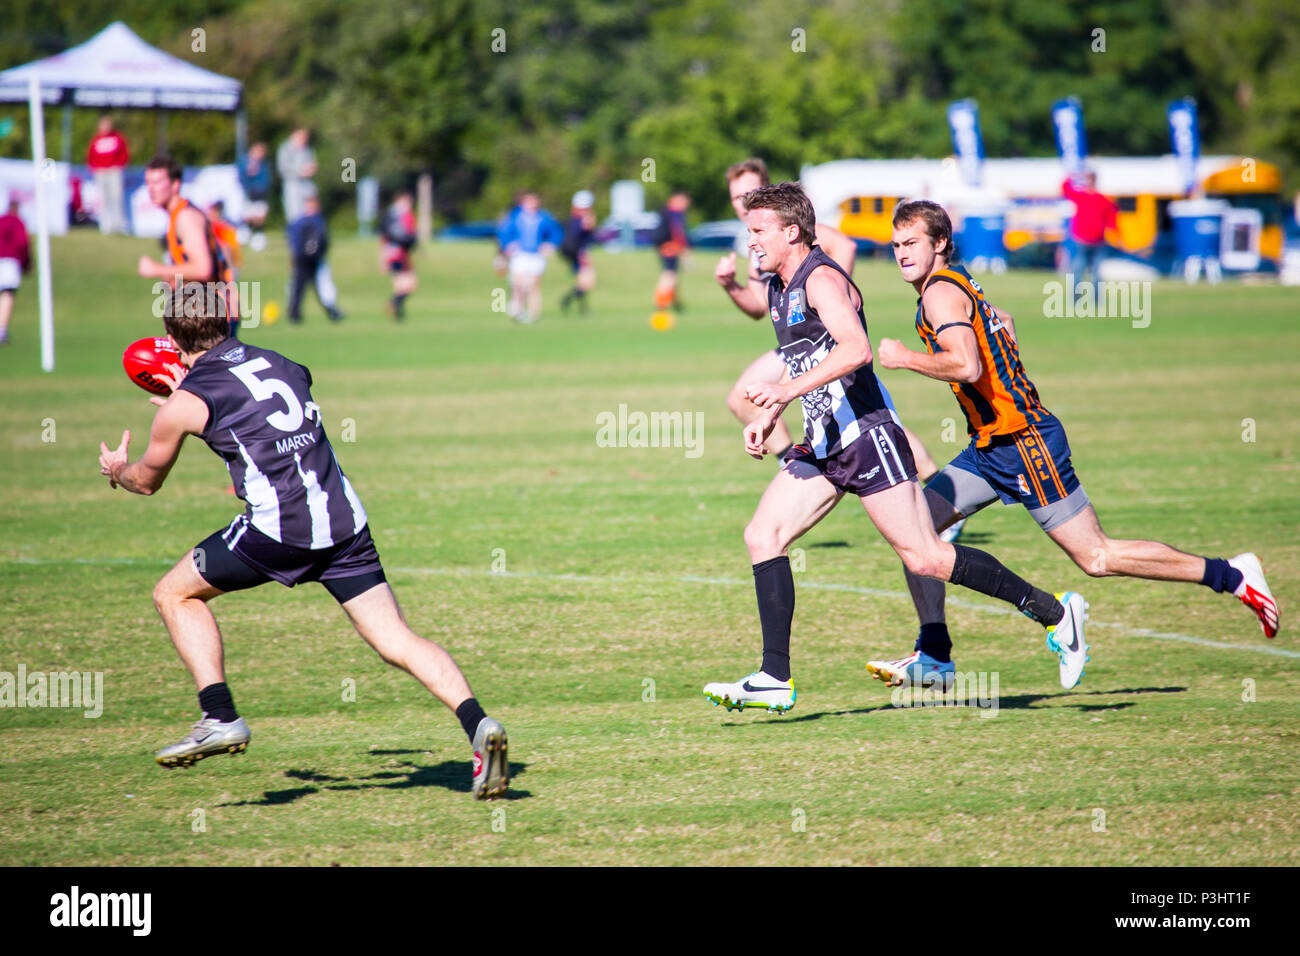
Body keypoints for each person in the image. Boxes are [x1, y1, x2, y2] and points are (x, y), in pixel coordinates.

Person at [95, 305, 509, 799]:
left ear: (169, 335)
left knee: (173, 594)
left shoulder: (182, 405)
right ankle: (478, 725)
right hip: (344, 522)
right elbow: (253, 404)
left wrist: (119, 468)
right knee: (394, 639)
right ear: (226, 323)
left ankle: (220, 716)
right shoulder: (284, 363)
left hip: (279, 530)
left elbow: (147, 482)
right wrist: (191, 385)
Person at [702, 183, 1087, 714]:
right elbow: (807, 368)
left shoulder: (822, 281)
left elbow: (858, 351)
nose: (751, 243)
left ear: (792, 232)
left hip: (866, 439)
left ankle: (1053, 613)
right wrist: (770, 416)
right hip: (824, 445)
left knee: (925, 556)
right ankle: (774, 676)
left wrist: (783, 392)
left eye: (759, 231)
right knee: (762, 535)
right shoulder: (778, 287)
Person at [869, 199, 1277, 690]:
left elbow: (967, 365)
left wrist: (904, 358)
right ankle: (934, 653)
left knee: (1097, 557)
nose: (901, 253)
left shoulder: (938, 294)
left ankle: (1231, 575)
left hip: (1025, 443)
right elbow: (1003, 318)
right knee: (916, 532)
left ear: (939, 244)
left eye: (911, 243)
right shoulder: (954, 286)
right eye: (895, 245)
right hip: (990, 445)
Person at [714, 158, 961, 541]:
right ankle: (796, 467)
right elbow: (759, 307)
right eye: (734, 197)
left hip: (822, 333)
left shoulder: (793, 237)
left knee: (866, 413)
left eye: (746, 193)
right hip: (797, 341)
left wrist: (831, 293)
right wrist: (730, 286)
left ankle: (935, 488)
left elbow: (842, 248)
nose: (739, 202)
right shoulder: (758, 241)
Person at [137, 155, 239, 340]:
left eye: (158, 182)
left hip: (215, 315)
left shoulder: (186, 217)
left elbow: (203, 269)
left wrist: (157, 269)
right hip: (206, 313)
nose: (151, 188)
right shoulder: (177, 215)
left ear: (175, 184)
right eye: (148, 182)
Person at [497, 191, 563, 324]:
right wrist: (507, 246)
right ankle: (518, 310)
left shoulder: (544, 217)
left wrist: (550, 245)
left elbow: (556, 232)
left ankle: (534, 314)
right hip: (520, 254)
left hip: (536, 255)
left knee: (534, 285)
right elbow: (504, 232)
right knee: (518, 283)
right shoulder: (515, 217)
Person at [287, 191, 343, 322]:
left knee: (323, 284)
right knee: (298, 285)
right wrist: (295, 255)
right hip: (302, 259)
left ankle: (331, 311)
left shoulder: (319, 220)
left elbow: (324, 240)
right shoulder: (300, 221)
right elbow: (294, 241)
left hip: (317, 258)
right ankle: (294, 314)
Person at [1061, 169, 1117, 301]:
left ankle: (1096, 300)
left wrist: (1115, 237)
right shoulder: (1081, 196)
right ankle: (1076, 300)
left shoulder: (1102, 199)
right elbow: (1065, 188)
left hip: (1098, 242)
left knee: (1096, 274)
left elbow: (1112, 220)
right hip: (1082, 241)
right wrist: (1073, 175)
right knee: (1078, 272)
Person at [87, 115, 129, 235]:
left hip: (114, 171)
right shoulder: (96, 139)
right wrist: (95, 168)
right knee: (104, 200)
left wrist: (119, 165)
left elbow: (124, 153)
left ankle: (119, 226)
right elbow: (91, 156)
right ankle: (107, 226)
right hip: (101, 172)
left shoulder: (117, 138)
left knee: (116, 198)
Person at [379, 190, 418, 319]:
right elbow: (406, 237)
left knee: (401, 285)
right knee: (409, 284)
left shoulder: (391, 215)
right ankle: (394, 305)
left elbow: (384, 238)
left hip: (395, 254)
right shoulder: (401, 216)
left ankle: (397, 310)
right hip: (399, 255)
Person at [559, 190, 597, 314]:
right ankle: (568, 300)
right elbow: (580, 237)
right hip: (580, 253)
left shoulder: (573, 219)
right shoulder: (583, 220)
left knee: (582, 282)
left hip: (574, 253)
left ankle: (582, 308)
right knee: (588, 282)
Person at [652, 191, 690, 312]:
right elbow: (678, 233)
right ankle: (661, 303)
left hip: (665, 247)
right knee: (669, 275)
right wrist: (684, 249)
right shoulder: (674, 214)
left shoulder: (665, 211)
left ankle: (676, 303)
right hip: (671, 248)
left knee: (672, 276)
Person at [0, 198, 30, 346]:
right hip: (9, 261)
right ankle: (1, 330)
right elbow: (22, 243)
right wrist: (26, 263)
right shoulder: (17, 222)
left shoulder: (1, 221)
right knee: (7, 294)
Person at [276, 128, 317, 225]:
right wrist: (300, 172)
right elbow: (283, 169)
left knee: (310, 210)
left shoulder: (307, 149)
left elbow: (312, 163)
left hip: (306, 183)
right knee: (294, 212)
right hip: (292, 183)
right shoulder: (285, 149)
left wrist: (311, 169)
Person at [237, 141, 271, 249]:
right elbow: (241, 178)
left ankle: (258, 235)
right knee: (247, 214)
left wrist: (259, 189)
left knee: (259, 214)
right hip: (247, 194)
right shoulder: (244, 163)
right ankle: (245, 231)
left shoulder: (264, 165)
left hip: (259, 194)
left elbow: (266, 180)